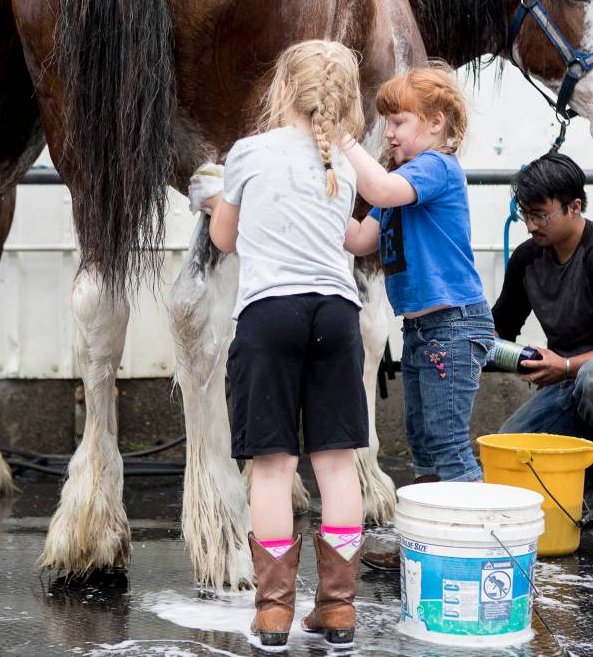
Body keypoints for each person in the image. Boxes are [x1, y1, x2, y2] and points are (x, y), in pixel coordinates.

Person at [191, 40, 368, 647]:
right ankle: (339, 609)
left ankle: (273, 613)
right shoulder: (344, 164)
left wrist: (212, 197)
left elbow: (224, 238)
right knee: (338, 464)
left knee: (271, 467)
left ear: (282, 90)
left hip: (270, 315)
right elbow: (341, 235)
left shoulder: (247, 154)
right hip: (338, 314)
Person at [340, 63, 494, 569]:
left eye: (399, 121)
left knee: (448, 446)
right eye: (386, 123)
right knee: (424, 447)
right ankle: (425, 550)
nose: (389, 132)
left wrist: (344, 140)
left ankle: (478, 551)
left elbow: (381, 191)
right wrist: (325, 186)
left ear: (436, 125)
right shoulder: (402, 182)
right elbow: (358, 239)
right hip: (423, 330)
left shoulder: (437, 168)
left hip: (454, 325)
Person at [492, 152, 593, 525]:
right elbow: (503, 323)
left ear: (574, 206)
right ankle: (567, 481)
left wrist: (566, 366)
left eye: (540, 214)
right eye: (525, 215)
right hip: (565, 384)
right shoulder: (527, 259)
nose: (531, 225)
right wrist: (473, 343)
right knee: (509, 445)